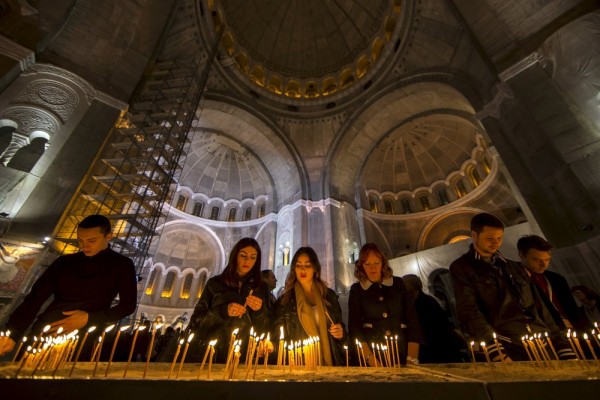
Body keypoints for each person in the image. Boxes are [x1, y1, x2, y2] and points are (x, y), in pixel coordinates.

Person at [0, 214, 138, 357]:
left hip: (84, 338)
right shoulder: (64, 262)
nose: (84, 246)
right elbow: (34, 299)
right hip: (46, 331)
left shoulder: (122, 265)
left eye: (91, 240)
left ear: (108, 236)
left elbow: (127, 306)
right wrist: (13, 334)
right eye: (80, 240)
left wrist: (89, 318)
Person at [449, 213, 576, 361]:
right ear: (474, 235)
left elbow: (539, 306)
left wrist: (561, 344)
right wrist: (493, 347)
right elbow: (469, 309)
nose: (495, 243)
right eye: (489, 238)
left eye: (499, 238)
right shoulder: (462, 267)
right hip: (508, 343)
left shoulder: (514, 267)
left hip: (541, 338)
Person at [187, 237, 270, 362]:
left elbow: (265, 327)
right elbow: (196, 322)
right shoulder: (215, 283)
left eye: (253, 257)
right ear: (235, 256)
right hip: (212, 354)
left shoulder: (261, 287)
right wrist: (222, 311)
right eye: (243, 255)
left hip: (246, 356)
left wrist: (259, 311)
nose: (248, 260)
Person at [348, 243, 422, 366]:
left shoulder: (398, 284)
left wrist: (412, 358)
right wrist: (372, 361)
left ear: (383, 263)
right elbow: (355, 328)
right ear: (361, 266)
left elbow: (412, 319)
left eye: (376, 263)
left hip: (402, 353)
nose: (373, 268)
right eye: (367, 264)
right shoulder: (357, 290)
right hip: (372, 357)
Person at [273, 247, 346, 366]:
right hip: (299, 363)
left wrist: (340, 332)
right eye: (298, 265)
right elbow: (278, 336)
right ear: (294, 269)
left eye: (307, 265)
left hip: (330, 362)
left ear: (315, 269)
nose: (303, 269)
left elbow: (341, 329)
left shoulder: (329, 296)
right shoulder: (285, 302)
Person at [517, 235, 583, 330]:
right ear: (522, 255)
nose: (543, 264)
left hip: (571, 327)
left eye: (547, 260)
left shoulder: (556, 279)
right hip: (544, 330)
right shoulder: (515, 278)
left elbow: (572, 309)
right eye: (537, 260)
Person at [402, 274, 464, 363]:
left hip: (438, 350)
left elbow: (434, 328)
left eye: (404, 285)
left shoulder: (427, 302)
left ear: (413, 286)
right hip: (430, 350)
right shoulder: (413, 303)